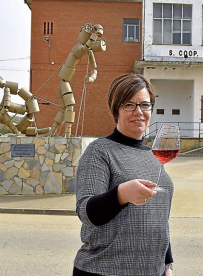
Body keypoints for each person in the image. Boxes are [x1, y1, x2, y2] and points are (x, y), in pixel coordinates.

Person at [73, 73, 174, 276]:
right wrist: (121, 194)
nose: (139, 112)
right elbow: (86, 212)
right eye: (129, 105)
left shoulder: (154, 157)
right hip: (102, 270)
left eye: (145, 105)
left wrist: (167, 265)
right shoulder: (100, 151)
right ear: (116, 109)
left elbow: (160, 217)